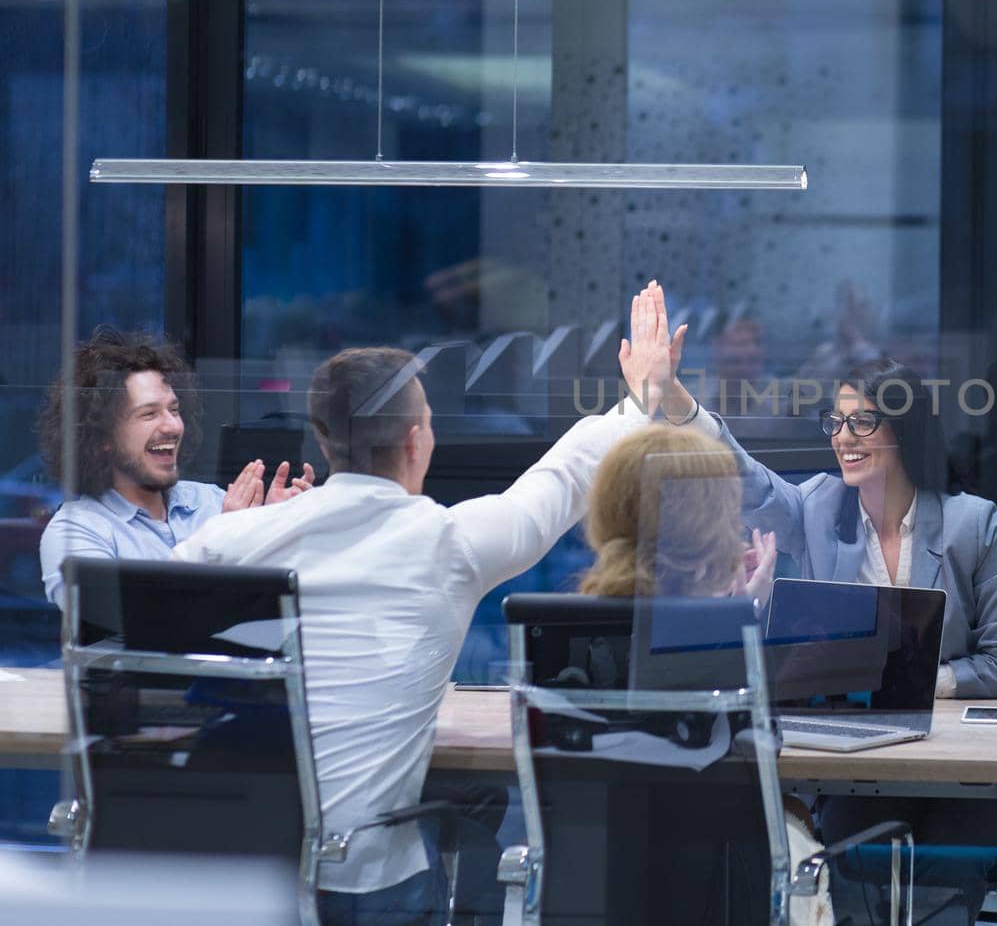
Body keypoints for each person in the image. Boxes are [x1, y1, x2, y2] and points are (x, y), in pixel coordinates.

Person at [172, 284, 681, 926]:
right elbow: (559, 484)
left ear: (326, 444)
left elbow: (141, 636)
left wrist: (238, 531)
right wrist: (642, 399)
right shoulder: (446, 544)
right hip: (367, 883)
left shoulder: (231, 536)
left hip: (229, 879)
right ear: (416, 442)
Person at [648, 284, 997, 925]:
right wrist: (676, 399)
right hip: (861, 760)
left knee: (947, 875)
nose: (843, 438)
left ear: (903, 430)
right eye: (836, 422)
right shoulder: (819, 507)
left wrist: (912, 682)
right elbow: (740, 476)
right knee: (854, 869)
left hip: (959, 764)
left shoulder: (971, 524)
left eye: (862, 423)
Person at [573, 425, 837, 926]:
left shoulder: (571, 629)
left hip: (590, 886)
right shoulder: (717, 640)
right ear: (707, 526)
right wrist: (742, 617)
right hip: (716, 897)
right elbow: (764, 750)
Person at [37, 326, 313, 607]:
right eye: (149, 414)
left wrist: (277, 527)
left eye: (175, 409)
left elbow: (271, 604)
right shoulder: (75, 531)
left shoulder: (211, 501)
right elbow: (131, 623)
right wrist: (223, 538)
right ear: (101, 437)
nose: (173, 426)